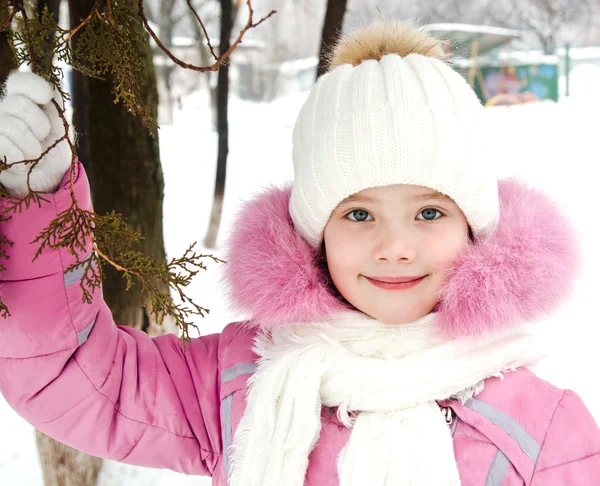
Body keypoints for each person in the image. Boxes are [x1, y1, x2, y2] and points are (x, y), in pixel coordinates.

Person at [0, 20, 598, 486]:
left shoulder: (543, 435)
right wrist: (40, 205)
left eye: (430, 213)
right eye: (358, 214)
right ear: (317, 233)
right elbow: (76, 379)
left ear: (475, 227)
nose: (394, 247)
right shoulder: (239, 381)